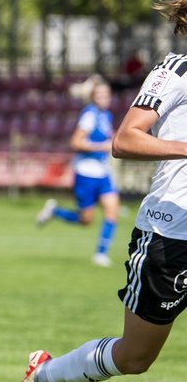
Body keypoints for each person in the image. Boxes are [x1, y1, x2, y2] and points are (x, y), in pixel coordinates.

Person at [13, 0, 187, 382]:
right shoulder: (175, 71)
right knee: (135, 357)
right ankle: (44, 376)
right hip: (171, 235)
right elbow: (125, 140)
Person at [36, 79, 120, 267]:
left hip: (102, 172)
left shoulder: (105, 115)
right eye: (100, 95)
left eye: (106, 95)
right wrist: (103, 145)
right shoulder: (89, 115)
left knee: (112, 210)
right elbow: (75, 143)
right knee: (85, 220)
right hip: (86, 173)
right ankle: (55, 211)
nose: (104, 98)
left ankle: (100, 254)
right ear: (92, 97)